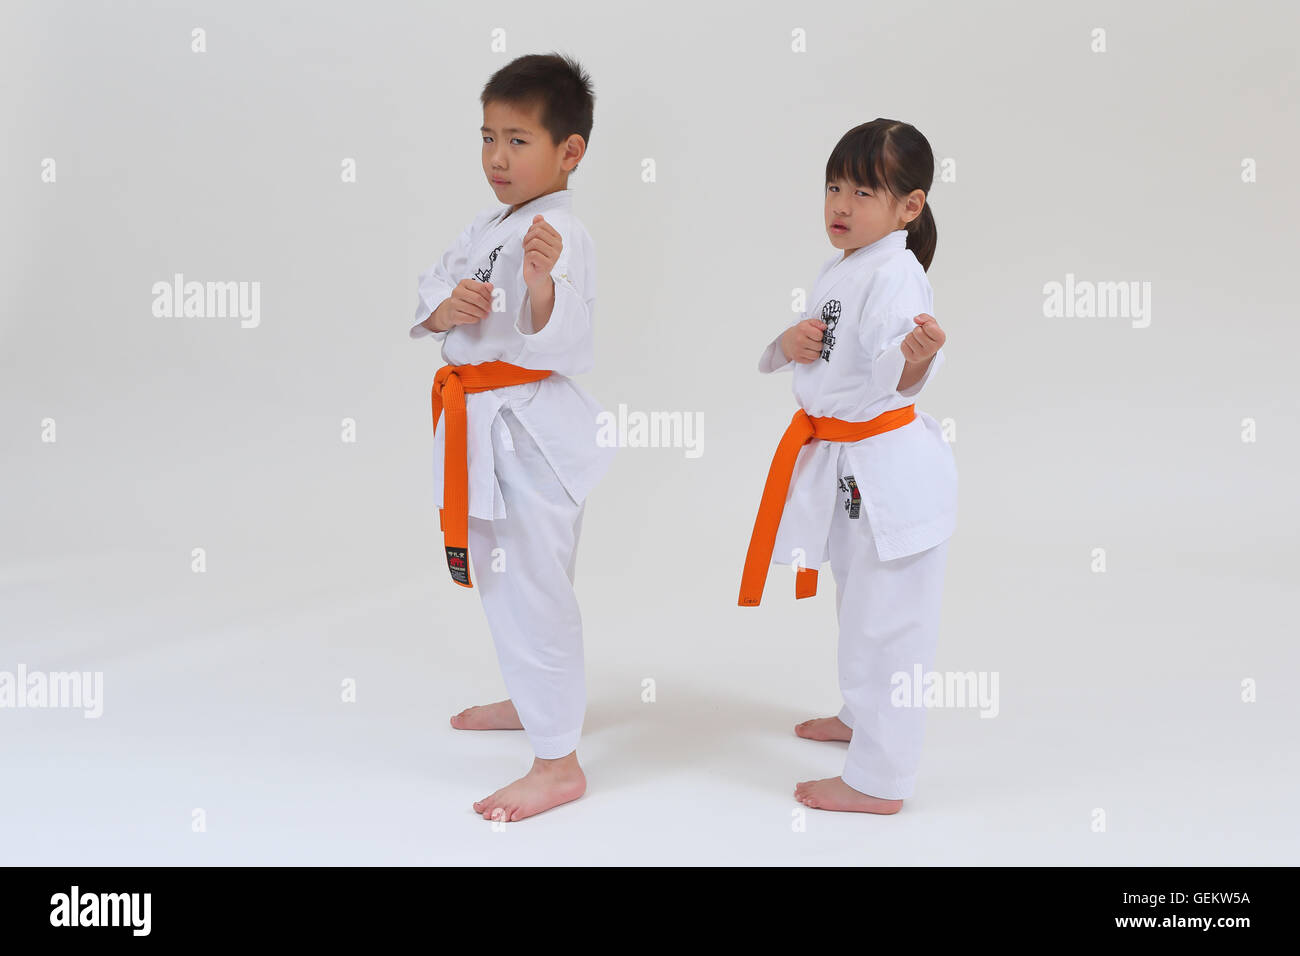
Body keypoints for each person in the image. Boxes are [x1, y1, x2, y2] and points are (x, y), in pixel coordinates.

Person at [410, 52, 613, 822]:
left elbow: (569, 339)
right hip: (487, 427)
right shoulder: (489, 223)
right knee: (511, 584)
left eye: (518, 140)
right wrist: (445, 310)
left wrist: (539, 286)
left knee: (534, 590)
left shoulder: (562, 233)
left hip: (528, 435)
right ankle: (537, 705)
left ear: (569, 151)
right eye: (488, 137)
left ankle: (558, 764)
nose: (497, 156)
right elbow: (434, 284)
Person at [738, 118, 957, 814]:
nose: (841, 205)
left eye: (863, 192)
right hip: (851, 467)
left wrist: (915, 358)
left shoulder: (896, 274)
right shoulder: (847, 265)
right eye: (834, 187)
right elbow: (831, 355)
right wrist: (791, 342)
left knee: (889, 628)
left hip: (889, 476)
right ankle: (861, 719)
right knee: (860, 609)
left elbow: (899, 366)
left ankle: (880, 782)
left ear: (909, 206)